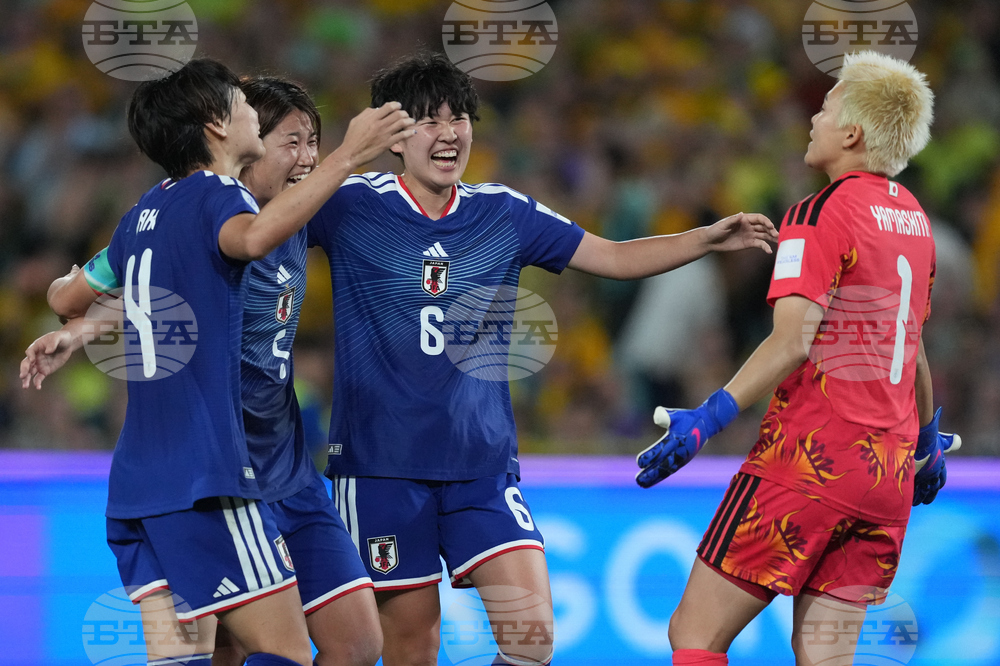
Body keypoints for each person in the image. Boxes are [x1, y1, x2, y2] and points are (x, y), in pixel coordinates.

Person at [305, 51, 777, 666]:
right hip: (381, 469)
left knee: (532, 643)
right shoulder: (347, 205)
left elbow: (611, 257)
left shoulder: (502, 211)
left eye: (460, 118)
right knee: (410, 647)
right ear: (393, 135)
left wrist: (706, 239)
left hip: (482, 465)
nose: (449, 134)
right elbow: (261, 229)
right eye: (428, 120)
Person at [22, 59, 413, 666]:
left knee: (353, 646)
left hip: (226, 470)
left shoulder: (154, 210)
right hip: (215, 471)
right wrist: (349, 153)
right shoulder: (223, 202)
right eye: (292, 140)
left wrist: (78, 323)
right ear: (224, 129)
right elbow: (238, 244)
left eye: (316, 142)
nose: (309, 155)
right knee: (270, 651)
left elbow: (90, 291)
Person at [634, 51, 959, 666]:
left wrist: (710, 415)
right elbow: (911, 342)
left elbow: (792, 340)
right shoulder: (916, 222)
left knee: (695, 635)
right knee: (824, 657)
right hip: (886, 479)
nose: (814, 116)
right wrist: (924, 440)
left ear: (852, 133)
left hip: (809, 463)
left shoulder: (817, 213)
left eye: (826, 106)